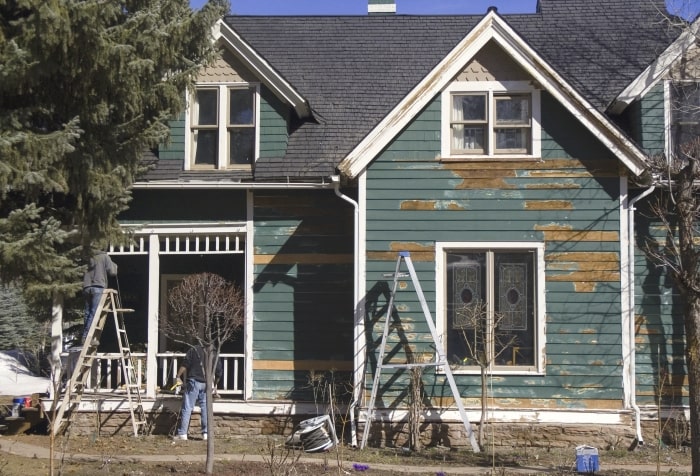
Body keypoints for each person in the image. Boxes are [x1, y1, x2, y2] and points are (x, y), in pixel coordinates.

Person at [173, 344, 223, 441]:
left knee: (187, 407)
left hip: (193, 381)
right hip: (206, 384)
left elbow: (185, 364)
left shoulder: (194, 350)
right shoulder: (214, 353)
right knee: (205, 408)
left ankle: (182, 434)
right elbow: (218, 372)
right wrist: (214, 385)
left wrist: (178, 376)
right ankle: (206, 433)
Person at [82, 250, 118, 345]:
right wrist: (114, 265)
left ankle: (85, 336)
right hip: (98, 286)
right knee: (94, 313)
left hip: (86, 286)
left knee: (87, 312)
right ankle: (88, 338)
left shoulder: (87, 256)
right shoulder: (104, 256)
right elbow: (112, 272)